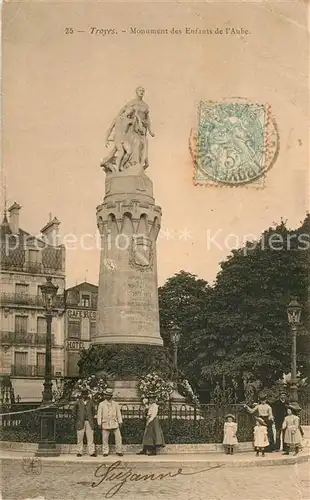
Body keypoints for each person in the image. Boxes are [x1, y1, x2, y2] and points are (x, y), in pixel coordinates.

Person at [97, 388, 123, 457]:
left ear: (111, 396)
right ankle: (105, 451)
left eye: (109, 395)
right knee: (105, 438)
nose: (107, 396)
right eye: (106, 395)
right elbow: (99, 414)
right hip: (105, 423)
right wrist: (99, 423)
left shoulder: (115, 404)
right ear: (105, 395)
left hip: (114, 422)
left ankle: (119, 451)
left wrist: (120, 422)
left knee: (118, 437)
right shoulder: (101, 404)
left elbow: (118, 414)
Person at [74, 389, 96, 457]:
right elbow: (73, 411)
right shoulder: (78, 402)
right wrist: (78, 418)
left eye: (86, 394)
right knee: (80, 437)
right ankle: (79, 452)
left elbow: (94, 411)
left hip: (89, 422)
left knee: (90, 437)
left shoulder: (91, 402)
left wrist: (91, 418)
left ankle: (92, 452)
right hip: (80, 422)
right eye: (83, 394)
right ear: (81, 395)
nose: (85, 396)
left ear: (88, 395)